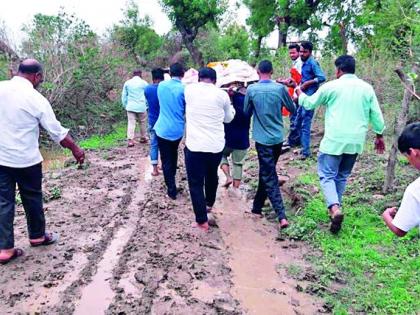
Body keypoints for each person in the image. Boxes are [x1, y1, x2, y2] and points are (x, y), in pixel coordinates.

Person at [0, 59, 85, 264]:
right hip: (27, 160)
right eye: (41, 79)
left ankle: (4, 249)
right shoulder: (36, 98)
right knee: (32, 198)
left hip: (2, 159)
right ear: (36, 76)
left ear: (16, 72)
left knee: (3, 202)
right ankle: (37, 236)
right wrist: (75, 149)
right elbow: (57, 132)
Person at [295, 55, 385, 233]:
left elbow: (310, 104)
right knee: (342, 176)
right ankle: (335, 210)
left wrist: (299, 94)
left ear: (339, 70)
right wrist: (379, 134)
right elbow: (376, 114)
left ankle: (335, 208)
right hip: (355, 142)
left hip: (334, 141)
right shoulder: (367, 89)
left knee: (327, 175)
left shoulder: (331, 87)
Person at [244, 60, 296, 229]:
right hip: (277, 139)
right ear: (272, 72)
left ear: (258, 72)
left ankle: (281, 215)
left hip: (262, 139)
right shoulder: (280, 89)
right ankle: (257, 207)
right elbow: (292, 109)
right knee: (267, 170)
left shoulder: (252, 90)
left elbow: (246, 113)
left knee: (269, 174)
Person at [184, 67, 235, 231]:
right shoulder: (222, 95)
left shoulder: (189, 90)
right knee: (211, 175)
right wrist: (231, 103)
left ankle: (201, 220)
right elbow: (228, 118)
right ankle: (209, 204)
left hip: (195, 145)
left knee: (195, 182)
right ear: (215, 80)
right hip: (215, 145)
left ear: (200, 78)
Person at [288, 41, 326, 159]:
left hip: (309, 98)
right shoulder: (303, 63)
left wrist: (308, 83)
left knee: (305, 123)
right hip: (302, 97)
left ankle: (306, 152)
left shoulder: (313, 63)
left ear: (310, 52)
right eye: (301, 51)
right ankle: (293, 143)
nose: (302, 54)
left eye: (305, 52)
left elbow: (321, 77)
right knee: (297, 120)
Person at [154, 63, 185, 200]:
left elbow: (165, 76)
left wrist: (167, 71)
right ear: (183, 75)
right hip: (177, 130)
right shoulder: (184, 89)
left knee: (166, 159)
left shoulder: (161, 86)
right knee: (173, 157)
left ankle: (171, 189)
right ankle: (173, 185)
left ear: (170, 74)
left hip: (162, 129)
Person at [382, 122, 420, 237]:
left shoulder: (415, 190)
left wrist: (386, 215)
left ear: (414, 153)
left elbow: (399, 230)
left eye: (407, 157)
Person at [220, 85, 251, 196]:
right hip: (243, 138)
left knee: (221, 155)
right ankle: (235, 189)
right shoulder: (249, 100)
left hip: (227, 137)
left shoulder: (227, 98)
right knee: (238, 164)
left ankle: (228, 177)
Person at [277, 43, 302, 151]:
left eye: (293, 52)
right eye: (290, 53)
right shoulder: (295, 64)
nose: (291, 55)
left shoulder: (300, 64)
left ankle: (293, 141)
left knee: (294, 117)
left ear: (298, 52)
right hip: (294, 92)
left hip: (298, 93)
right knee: (294, 116)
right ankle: (293, 139)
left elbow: (298, 81)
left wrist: (285, 83)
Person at [144, 68, 165, 176]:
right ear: (163, 77)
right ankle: (163, 165)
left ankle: (155, 169)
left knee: (154, 144)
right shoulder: (165, 88)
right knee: (164, 144)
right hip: (164, 121)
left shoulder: (147, 89)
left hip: (152, 120)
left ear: (153, 78)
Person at [121, 69, 149, 147]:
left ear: (133, 74)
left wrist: (125, 105)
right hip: (141, 106)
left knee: (131, 123)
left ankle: (130, 140)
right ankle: (143, 137)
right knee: (143, 122)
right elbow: (147, 95)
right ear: (140, 74)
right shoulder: (144, 83)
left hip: (130, 106)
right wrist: (147, 105)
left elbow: (124, 95)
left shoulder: (127, 83)